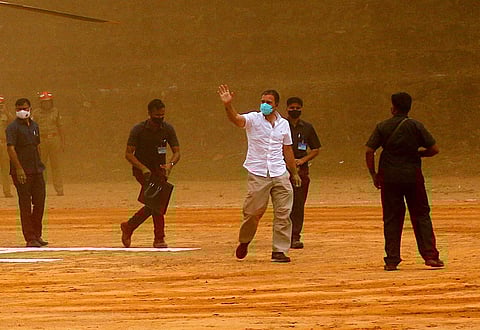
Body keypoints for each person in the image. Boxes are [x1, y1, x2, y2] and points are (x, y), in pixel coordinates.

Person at [217, 84, 301, 263]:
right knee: (253, 213)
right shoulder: (253, 119)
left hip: (279, 172)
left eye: (268, 102)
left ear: (276, 104)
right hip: (258, 172)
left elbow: (287, 150)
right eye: (262, 101)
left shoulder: (284, 124)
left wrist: (293, 172)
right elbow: (236, 119)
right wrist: (228, 105)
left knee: (284, 213)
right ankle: (245, 241)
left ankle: (279, 250)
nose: (264, 105)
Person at [365, 92, 444, 271]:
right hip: (413, 177)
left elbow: (369, 151)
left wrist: (374, 174)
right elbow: (434, 149)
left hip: (389, 178)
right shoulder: (416, 126)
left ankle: (392, 260)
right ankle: (430, 256)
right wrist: (417, 154)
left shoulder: (382, 126)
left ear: (393, 107)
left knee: (392, 218)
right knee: (421, 215)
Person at [120, 99, 180, 248]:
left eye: (162, 115)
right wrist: (143, 168)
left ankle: (129, 226)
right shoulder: (138, 130)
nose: (159, 118)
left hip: (160, 171)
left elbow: (177, 152)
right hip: (143, 172)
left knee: (155, 202)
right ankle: (159, 238)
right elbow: (128, 154)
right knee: (157, 201)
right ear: (149, 114)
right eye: (156, 115)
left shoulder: (168, 129)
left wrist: (170, 164)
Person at [6, 98, 47, 247]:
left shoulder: (35, 125)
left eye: (24, 108)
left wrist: (40, 163)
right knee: (25, 204)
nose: (22, 111)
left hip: (37, 169)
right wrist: (18, 169)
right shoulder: (12, 128)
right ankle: (30, 237)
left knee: (40, 202)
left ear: (30, 108)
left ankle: (37, 234)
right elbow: (11, 149)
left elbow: (37, 145)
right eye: (19, 109)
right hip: (22, 172)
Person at [285, 97, 321, 249]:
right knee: (284, 205)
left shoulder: (307, 127)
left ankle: (295, 236)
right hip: (282, 169)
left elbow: (316, 149)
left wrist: (302, 160)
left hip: (301, 170)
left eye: (297, 107)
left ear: (301, 109)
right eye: (291, 107)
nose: (294, 110)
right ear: (286, 109)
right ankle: (283, 236)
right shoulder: (280, 125)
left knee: (298, 204)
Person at [32, 91, 65, 196]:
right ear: (41, 103)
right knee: (41, 166)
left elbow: (60, 127)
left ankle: (59, 188)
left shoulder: (56, 111)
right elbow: (32, 128)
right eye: (44, 102)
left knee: (56, 166)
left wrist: (63, 142)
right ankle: (41, 189)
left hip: (54, 139)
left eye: (48, 102)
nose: (47, 104)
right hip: (41, 140)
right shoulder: (36, 113)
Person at [0, 96, 14, 197]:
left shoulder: (6, 115)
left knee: (5, 168)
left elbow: (14, 124)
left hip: (3, 143)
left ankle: (7, 191)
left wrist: (6, 112)